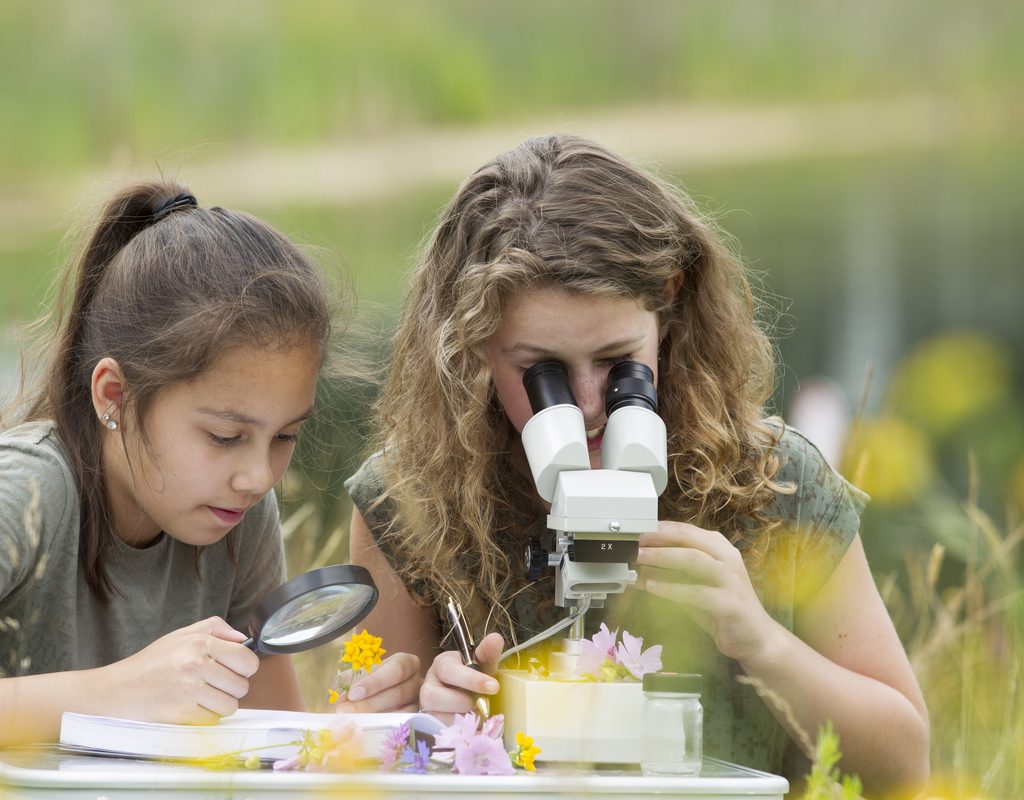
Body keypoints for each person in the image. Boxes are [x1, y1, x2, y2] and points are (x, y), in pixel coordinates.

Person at [346, 134, 930, 796]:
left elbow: (905, 768)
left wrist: (763, 644)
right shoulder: (410, 499)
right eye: (544, 373)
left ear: (669, 306)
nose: (590, 406)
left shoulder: (775, 481)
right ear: (473, 347)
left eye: (617, 361)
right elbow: (366, 762)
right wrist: (426, 726)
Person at [0, 182, 419, 748]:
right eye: (225, 436)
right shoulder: (26, 492)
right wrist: (122, 690)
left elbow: (272, 742)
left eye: (286, 436)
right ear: (113, 396)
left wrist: (343, 735)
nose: (259, 477)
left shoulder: (238, 517)